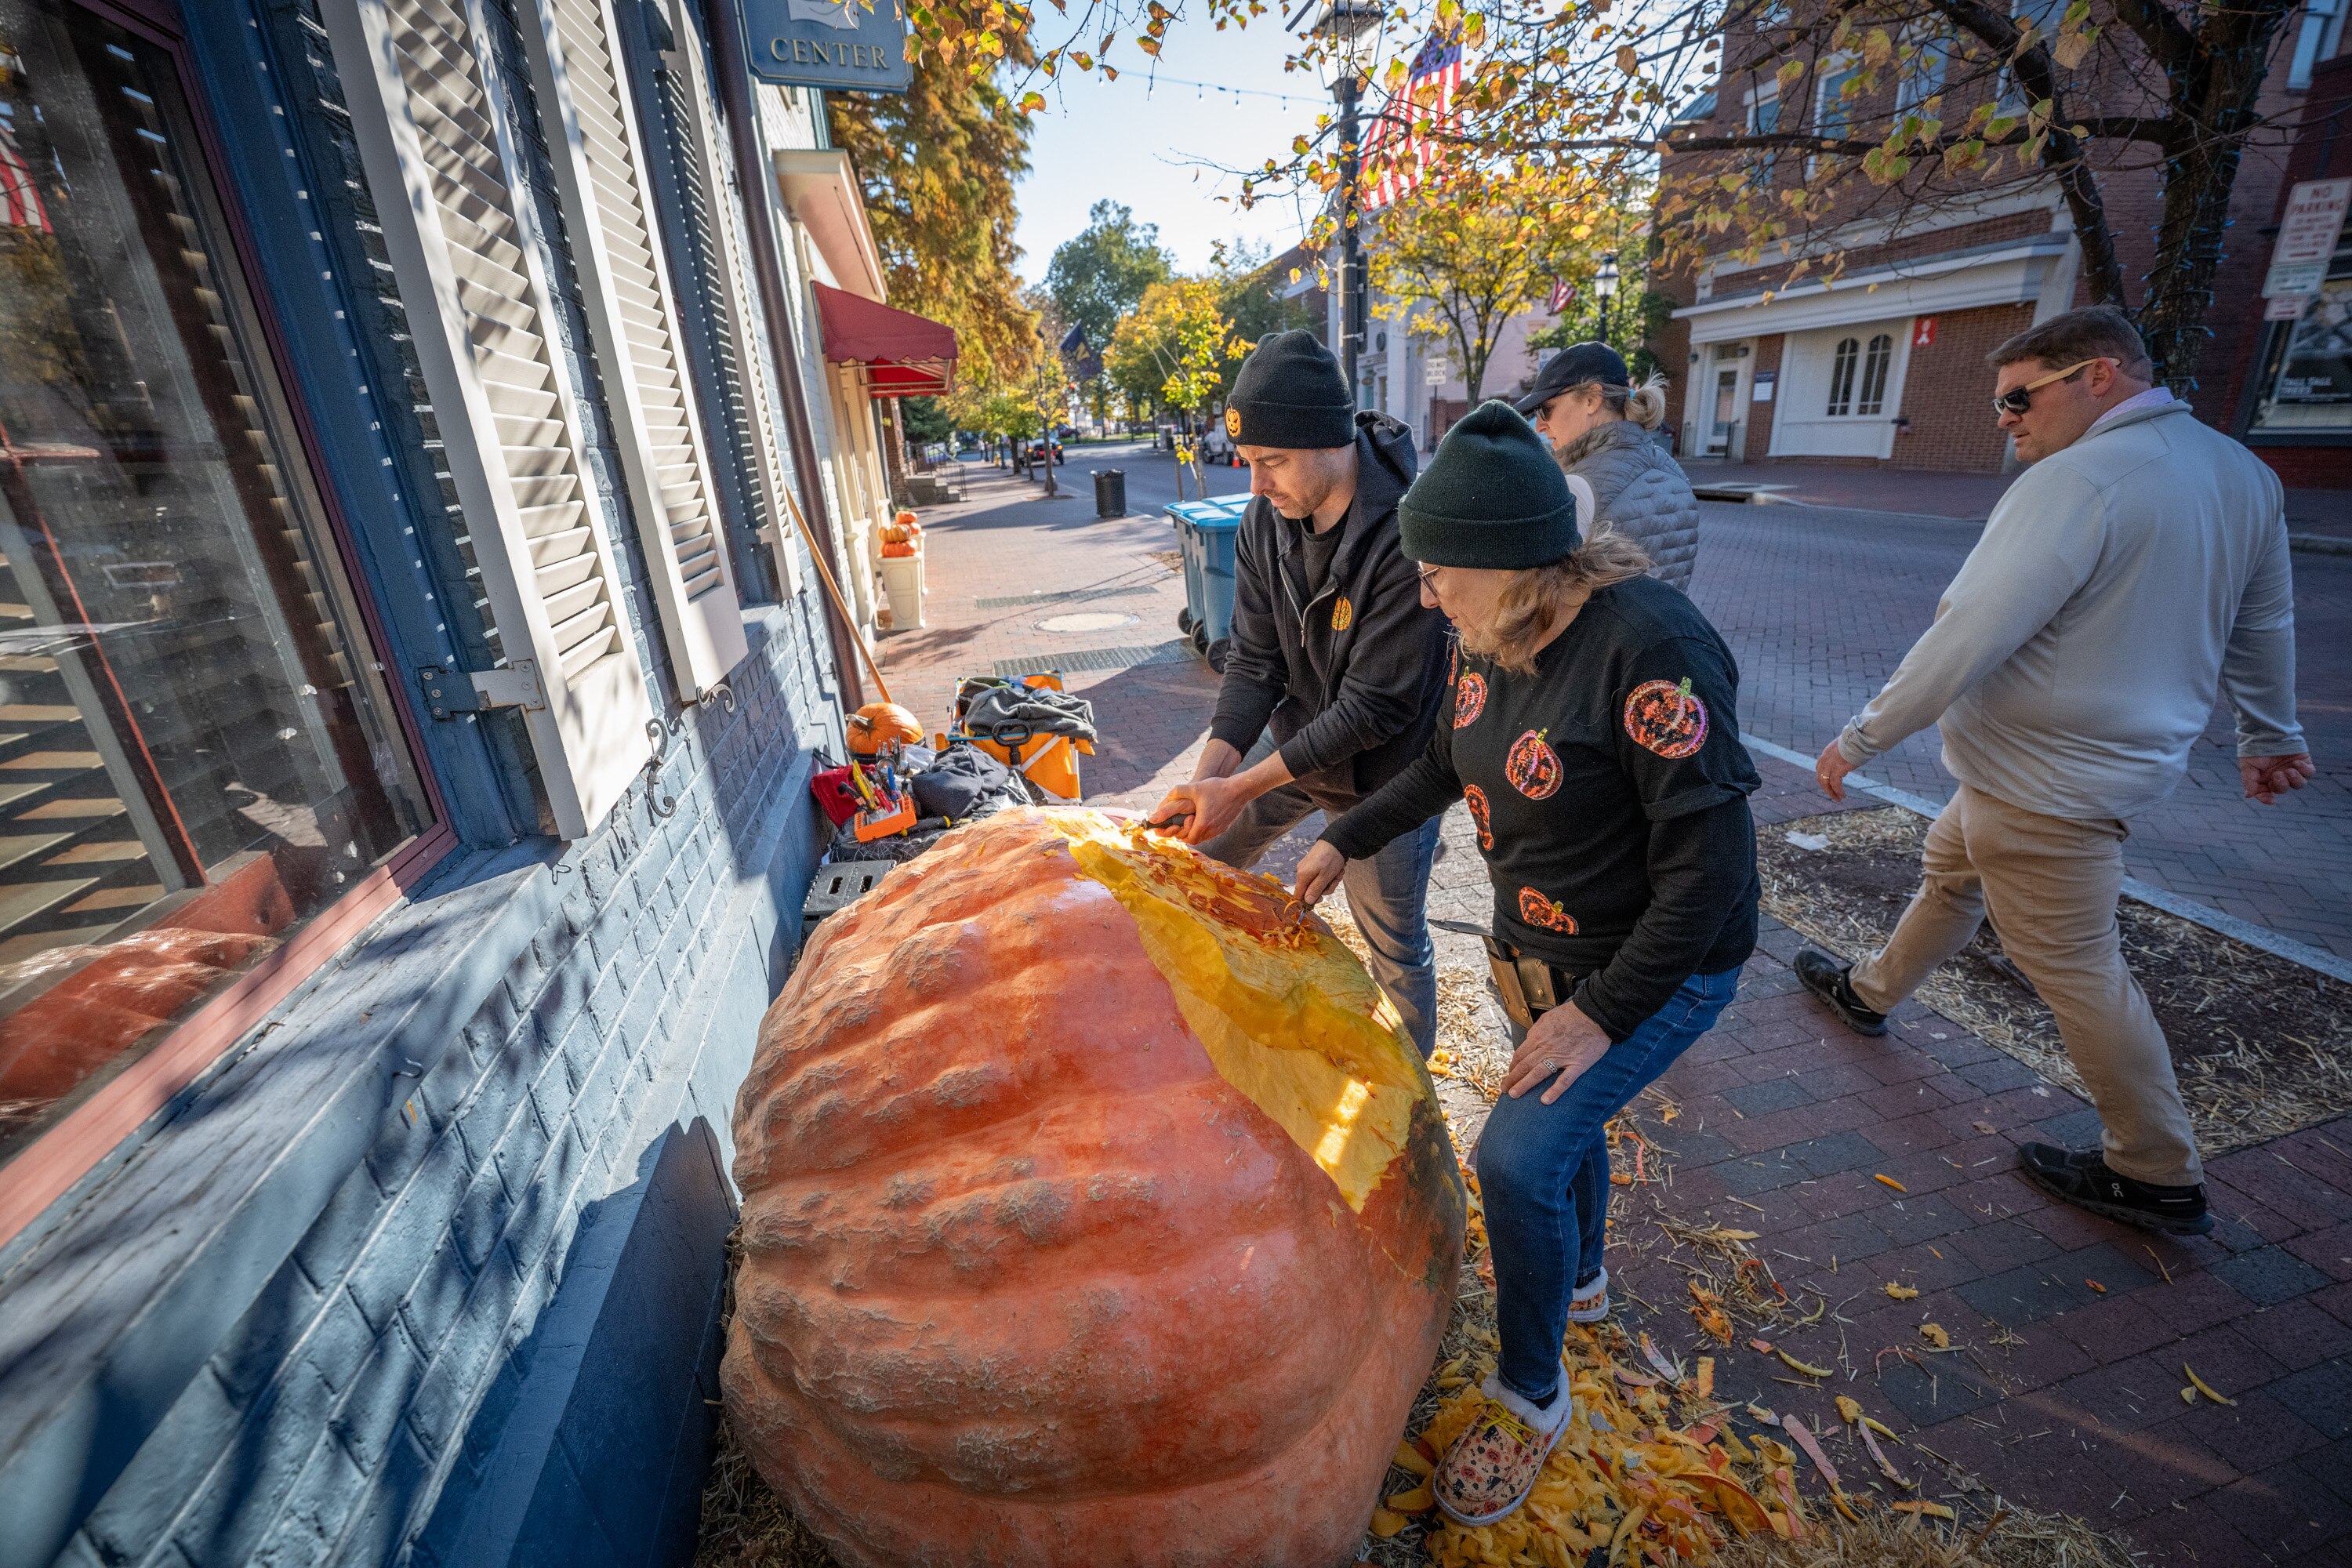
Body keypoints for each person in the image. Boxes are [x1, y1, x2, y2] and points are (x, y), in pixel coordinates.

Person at [1292, 401, 1761, 1527]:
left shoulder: (1653, 648)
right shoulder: (1487, 634)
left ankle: (1531, 1389)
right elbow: (1444, 768)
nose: (1424, 594)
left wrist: (1603, 1014)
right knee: (1563, 1142)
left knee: (1515, 1154)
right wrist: (1338, 837)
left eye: (1441, 572)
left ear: (1515, 565)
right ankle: (1583, 1278)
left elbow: (1710, 872)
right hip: (1538, 959)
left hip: (1652, 969)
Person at [1797, 306, 2313, 1238]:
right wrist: (2267, 733)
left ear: (2101, 375)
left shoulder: (2077, 480)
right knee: (1951, 869)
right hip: (2052, 773)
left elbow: (1970, 628)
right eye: (2000, 404)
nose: (2008, 419)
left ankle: (2155, 1169)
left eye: (2020, 398)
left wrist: (1861, 736)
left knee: (2076, 968)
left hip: (2046, 783)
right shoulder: (2244, 473)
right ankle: (1868, 991)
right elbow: (2263, 619)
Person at [1150, 330, 1448, 1056]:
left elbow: (1375, 707)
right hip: (1296, 745)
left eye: (1271, 462)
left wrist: (1245, 784)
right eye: (1248, 463)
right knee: (1205, 855)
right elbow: (1254, 661)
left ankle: (1412, 1091)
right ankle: (1220, 1024)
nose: (1256, 485)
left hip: (1389, 775)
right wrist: (1212, 776)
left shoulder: (1409, 532)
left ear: (1331, 439)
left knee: (1393, 941)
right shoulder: (1264, 520)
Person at [1516, 343, 1700, 591]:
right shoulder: (1673, 472)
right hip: (1667, 628)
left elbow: (1541, 594)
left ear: (1592, 399)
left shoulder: (1578, 486)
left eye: (1546, 410)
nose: (1539, 426)